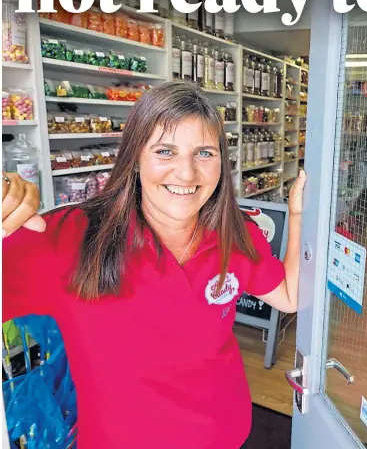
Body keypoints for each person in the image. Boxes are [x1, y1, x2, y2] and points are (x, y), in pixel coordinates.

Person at [2, 80, 306, 449]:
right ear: (135, 158)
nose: (186, 173)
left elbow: (290, 295)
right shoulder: (67, 240)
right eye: (165, 151)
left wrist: (299, 212)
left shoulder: (235, 233)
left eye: (204, 153)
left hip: (226, 432)